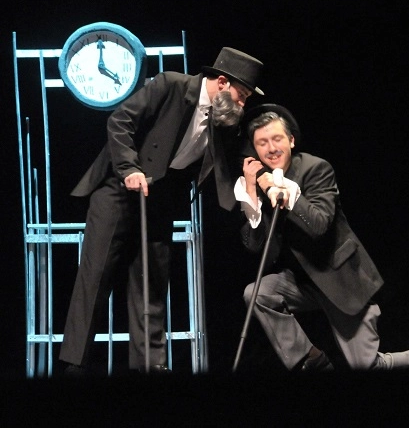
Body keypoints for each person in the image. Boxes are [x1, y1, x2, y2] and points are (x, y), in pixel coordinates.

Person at [59, 47, 265, 376]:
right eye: (242, 96)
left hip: (161, 198)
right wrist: (129, 169)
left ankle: (150, 364)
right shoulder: (171, 85)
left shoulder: (222, 116)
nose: (242, 105)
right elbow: (120, 121)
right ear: (222, 82)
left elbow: (237, 154)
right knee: (96, 276)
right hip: (120, 190)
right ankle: (74, 364)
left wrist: (264, 177)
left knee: (152, 282)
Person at [234, 104, 409, 372]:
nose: (271, 148)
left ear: (291, 140)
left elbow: (319, 225)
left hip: (340, 279)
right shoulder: (260, 185)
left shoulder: (316, 169)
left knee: (368, 367)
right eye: (262, 143)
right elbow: (255, 247)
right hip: (302, 283)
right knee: (258, 292)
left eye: (277, 139)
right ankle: (312, 362)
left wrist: (286, 192)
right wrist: (252, 195)